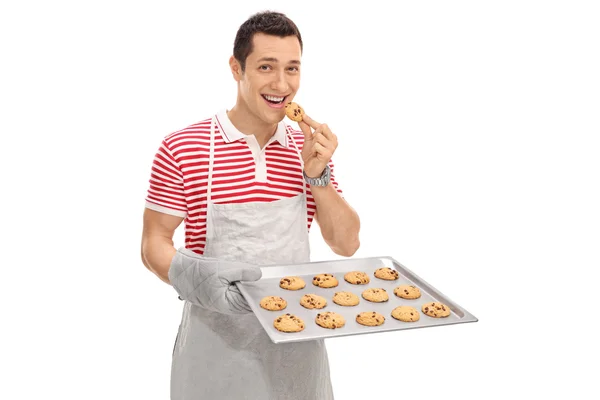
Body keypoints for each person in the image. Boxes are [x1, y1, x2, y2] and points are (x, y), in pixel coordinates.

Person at [141, 10, 360, 400]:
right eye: (265, 67)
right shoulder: (183, 148)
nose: (281, 84)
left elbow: (347, 244)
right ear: (236, 68)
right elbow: (153, 242)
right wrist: (195, 279)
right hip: (214, 354)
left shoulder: (306, 149)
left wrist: (319, 177)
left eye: (292, 69)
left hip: (298, 352)